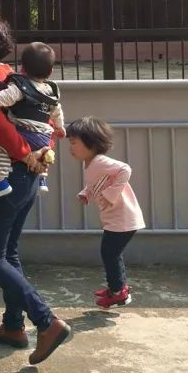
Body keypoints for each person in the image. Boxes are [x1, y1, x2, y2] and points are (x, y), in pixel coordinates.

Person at [0, 18, 72, 365]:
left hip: (5, 173)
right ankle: (13, 326)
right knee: (9, 251)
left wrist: (23, 155)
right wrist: (40, 156)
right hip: (32, 173)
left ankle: (46, 322)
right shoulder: (17, 74)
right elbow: (48, 120)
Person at [66, 116, 145, 309]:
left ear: (91, 144)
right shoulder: (92, 164)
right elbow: (96, 182)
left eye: (74, 143)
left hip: (123, 218)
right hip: (117, 218)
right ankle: (117, 288)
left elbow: (125, 169)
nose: (71, 147)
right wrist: (86, 192)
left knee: (110, 253)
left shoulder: (100, 161)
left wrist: (112, 193)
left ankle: (118, 293)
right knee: (112, 253)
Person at [0, 42, 65, 199]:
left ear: (22, 68)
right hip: (44, 137)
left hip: (24, 132)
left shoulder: (21, 86)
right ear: (50, 72)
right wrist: (60, 127)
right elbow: (57, 111)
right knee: (45, 152)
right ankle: (42, 178)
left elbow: (5, 97)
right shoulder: (51, 91)